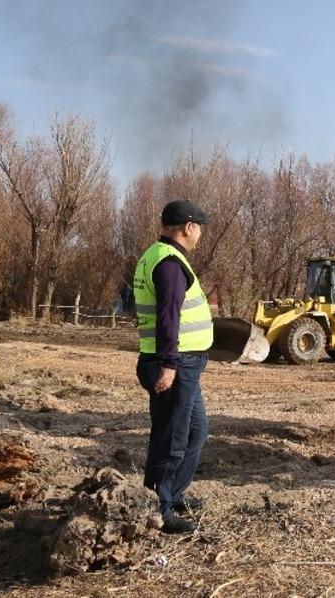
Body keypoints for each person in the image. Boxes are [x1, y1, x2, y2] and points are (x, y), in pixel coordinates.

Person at [133, 199, 213, 535]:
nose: (200, 235)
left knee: (196, 430)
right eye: (199, 228)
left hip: (183, 363)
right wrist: (168, 365)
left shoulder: (158, 255)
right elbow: (169, 318)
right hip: (175, 363)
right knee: (171, 439)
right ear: (188, 227)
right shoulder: (168, 263)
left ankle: (173, 494)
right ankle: (159, 509)